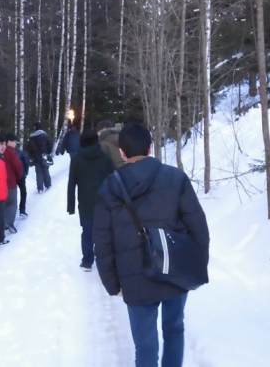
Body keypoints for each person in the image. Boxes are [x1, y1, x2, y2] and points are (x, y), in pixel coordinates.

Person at [93, 122, 209, 367]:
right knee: (174, 329)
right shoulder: (176, 178)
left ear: (122, 153)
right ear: (150, 148)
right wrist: (196, 265)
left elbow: (102, 241)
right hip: (175, 270)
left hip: (134, 277)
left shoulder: (109, 188)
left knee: (144, 344)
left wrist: (112, 283)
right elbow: (199, 227)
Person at [67, 129, 115, 272]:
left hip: (86, 202)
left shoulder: (77, 159)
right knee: (105, 232)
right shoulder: (105, 158)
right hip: (105, 201)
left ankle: (87, 261)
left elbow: (72, 183)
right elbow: (114, 178)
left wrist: (71, 206)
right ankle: (106, 261)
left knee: (87, 232)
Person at [4, 134, 24, 233]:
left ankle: (2, 223)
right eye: (14, 141)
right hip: (10, 182)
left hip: (0, 183)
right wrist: (19, 176)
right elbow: (18, 165)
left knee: (3, 204)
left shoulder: (0, 152)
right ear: (9, 142)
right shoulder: (12, 152)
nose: (16, 143)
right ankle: (9, 223)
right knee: (12, 203)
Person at [27, 122, 54, 193]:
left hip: (36, 157)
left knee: (38, 173)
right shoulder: (45, 136)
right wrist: (48, 152)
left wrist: (32, 156)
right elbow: (50, 144)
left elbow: (29, 148)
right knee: (46, 170)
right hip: (45, 156)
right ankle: (48, 185)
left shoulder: (32, 138)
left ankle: (40, 188)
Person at [15, 141, 30, 217]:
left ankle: (12, 211)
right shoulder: (21, 153)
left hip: (11, 177)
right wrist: (25, 173)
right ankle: (22, 209)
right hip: (21, 175)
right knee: (23, 192)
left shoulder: (6, 153)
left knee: (12, 193)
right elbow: (26, 162)